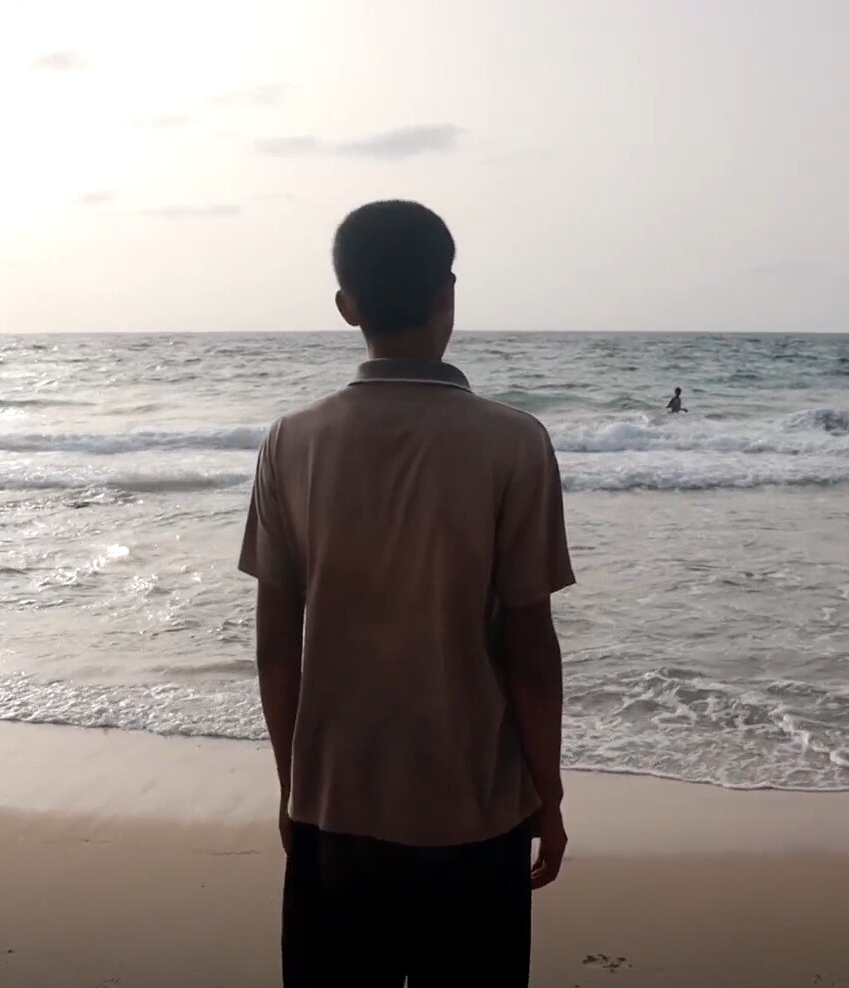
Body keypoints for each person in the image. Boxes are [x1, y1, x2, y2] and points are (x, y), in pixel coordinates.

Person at [239, 200, 575, 988]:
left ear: (346, 306)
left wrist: (294, 785)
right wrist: (547, 797)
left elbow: (274, 643)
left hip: (334, 808)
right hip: (474, 812)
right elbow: (530, 649)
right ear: (445, 294)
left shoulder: (292, 441)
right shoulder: (512, 442)